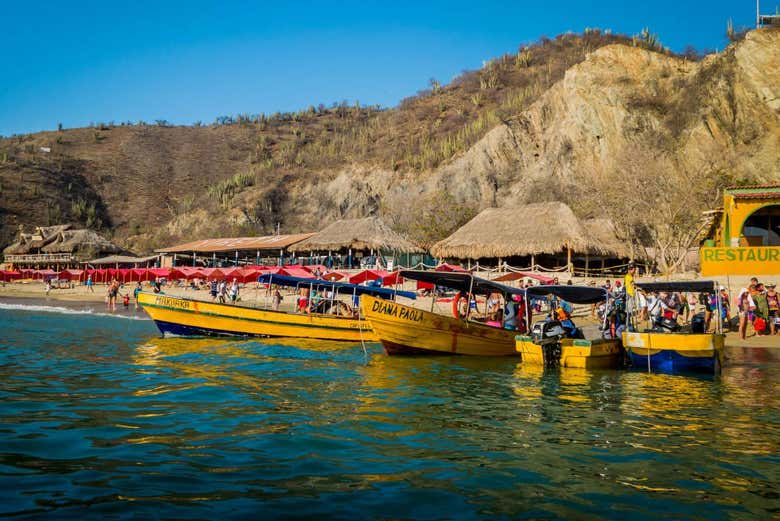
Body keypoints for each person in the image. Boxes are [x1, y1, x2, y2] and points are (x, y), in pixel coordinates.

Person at [624, 263, 637, 328]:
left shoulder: (630, 276)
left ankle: (629, 324)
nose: (635, 272)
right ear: (630, 270)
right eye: (634, 270)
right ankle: (628, 325)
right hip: (629, 295)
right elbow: (633, 285)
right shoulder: (628, 276)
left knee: (630, 311)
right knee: (628, 312)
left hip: (631, 295)